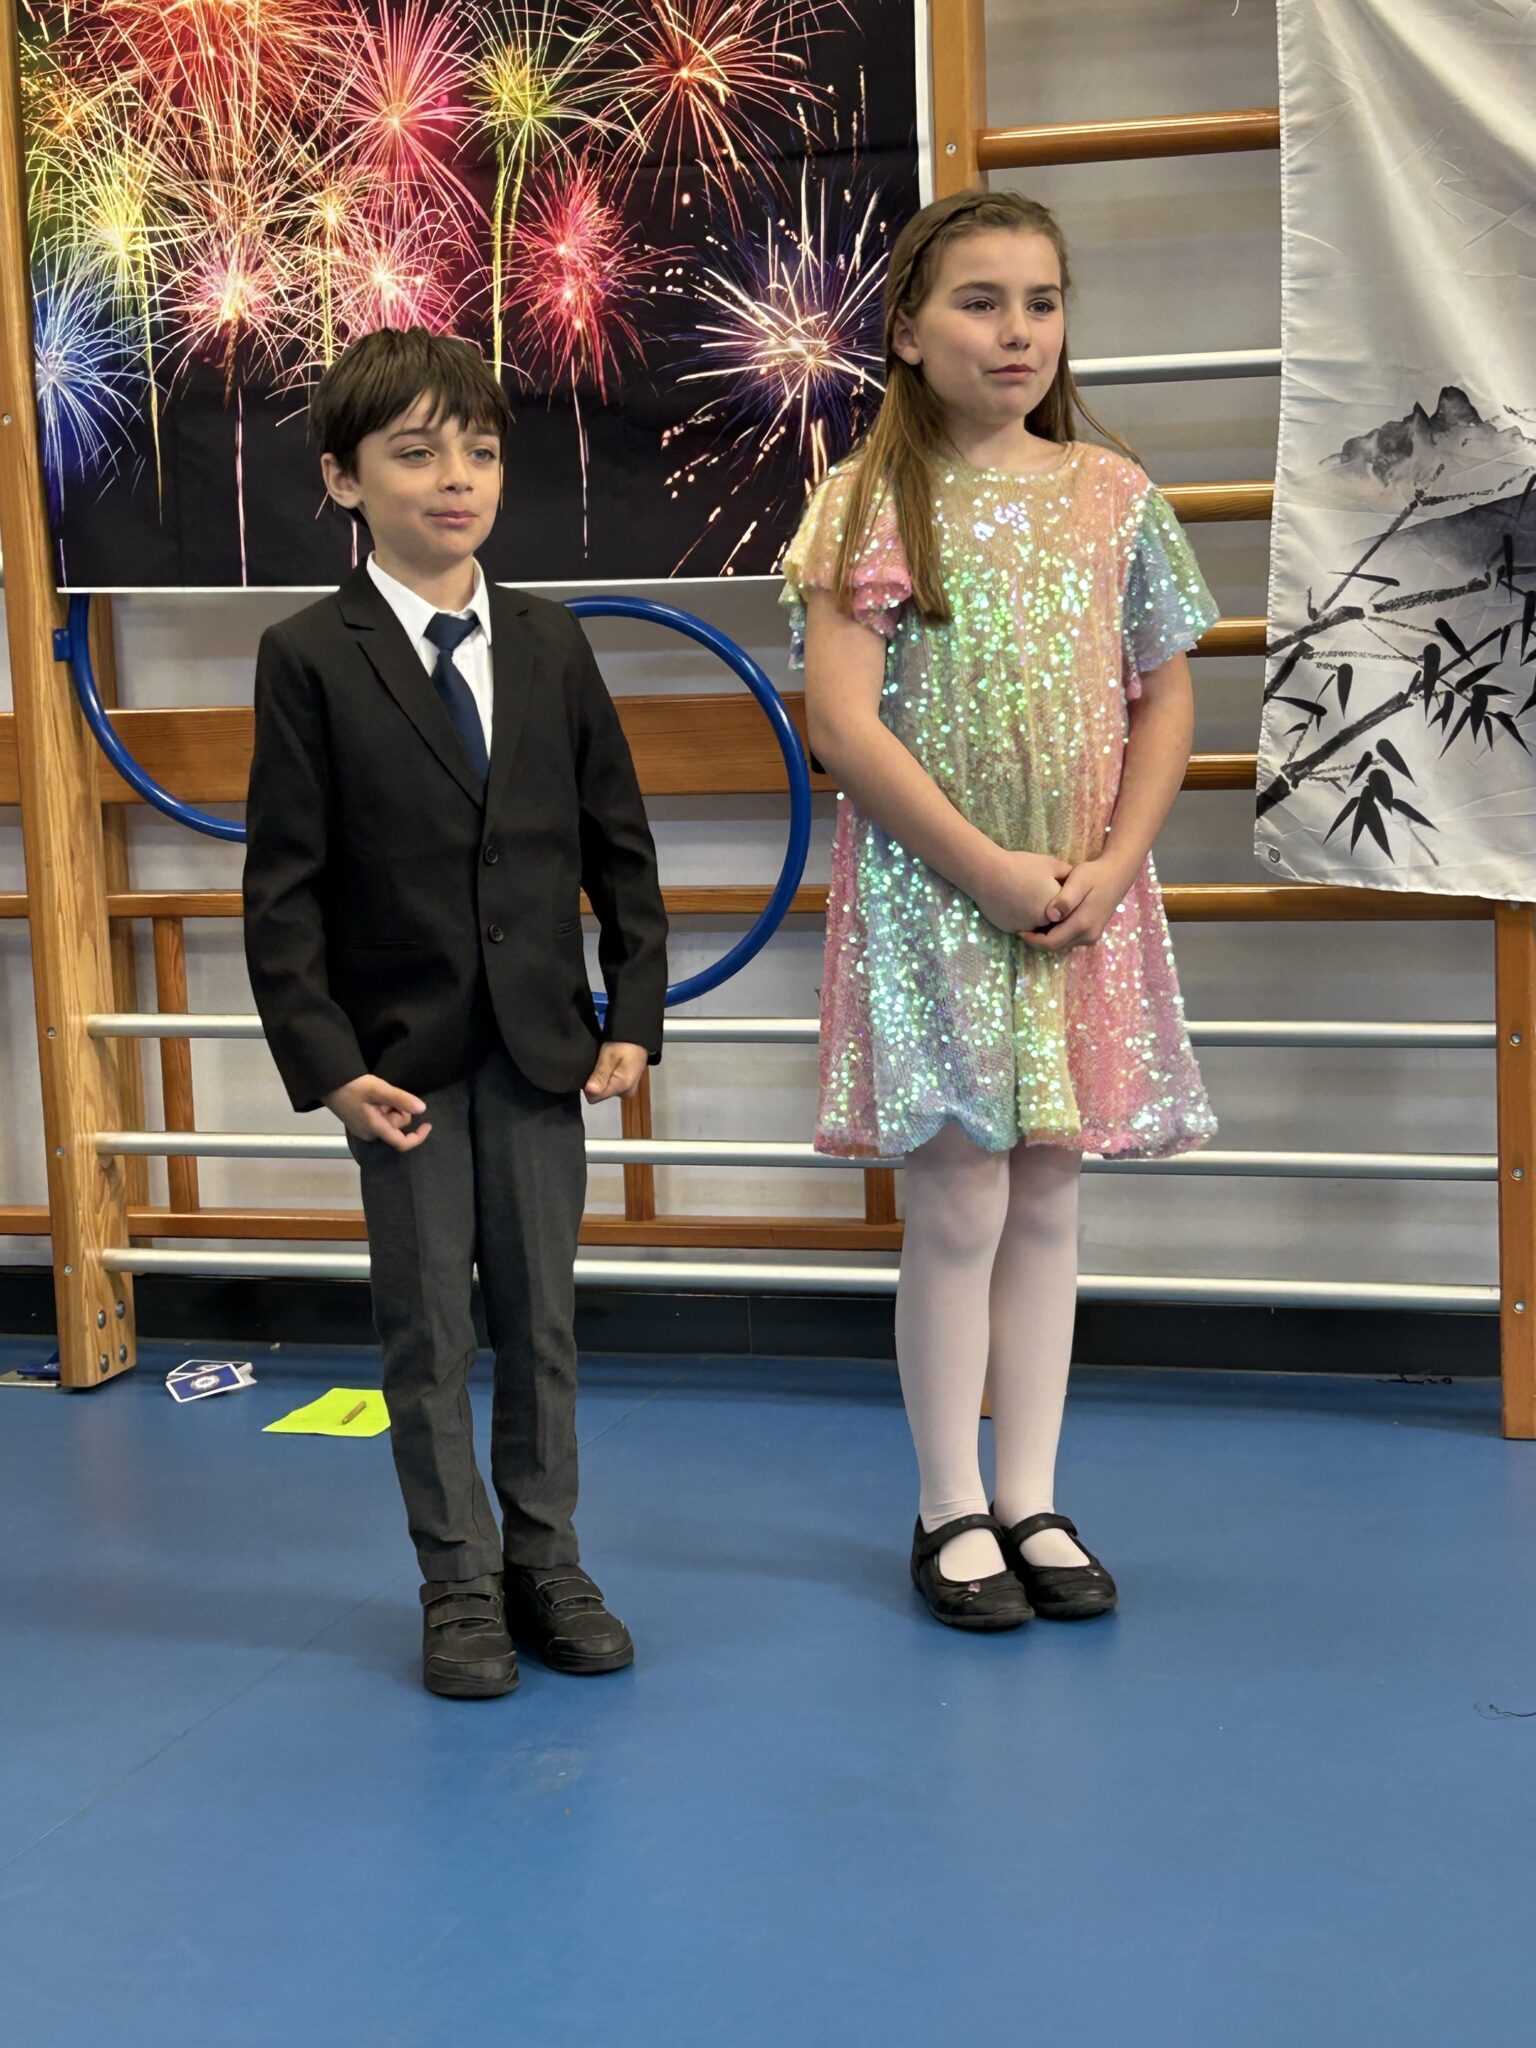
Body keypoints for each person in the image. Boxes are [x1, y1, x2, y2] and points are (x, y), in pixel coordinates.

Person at [784, 190, 1219, 1631]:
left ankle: (1030, 1493)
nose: (1017, 330)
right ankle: (947, 1504)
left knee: (1049, 1191)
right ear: (909, 332)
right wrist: (983, 866)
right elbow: (845, 722)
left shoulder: (1114, 495)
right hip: (938, 901)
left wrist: (1116, 863)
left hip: (1084, 900)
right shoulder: (868, 501)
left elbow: (1165, 699)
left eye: (1041, 301)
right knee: (961, 1195)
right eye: (980, 301)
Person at [243, 327, 668, 1696]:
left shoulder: (550, 641)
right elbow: (283, 891)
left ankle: (547, 1560)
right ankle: (458, 1582)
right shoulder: (309, 655)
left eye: (478, 451)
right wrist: (329, 1066)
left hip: (544, 1054)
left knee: (542, 1324)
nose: (456, 479)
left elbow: (620, 848)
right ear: (344, 478)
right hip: (402, 1067)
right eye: (416, 453)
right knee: (427, 1332)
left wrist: (632, 1011)